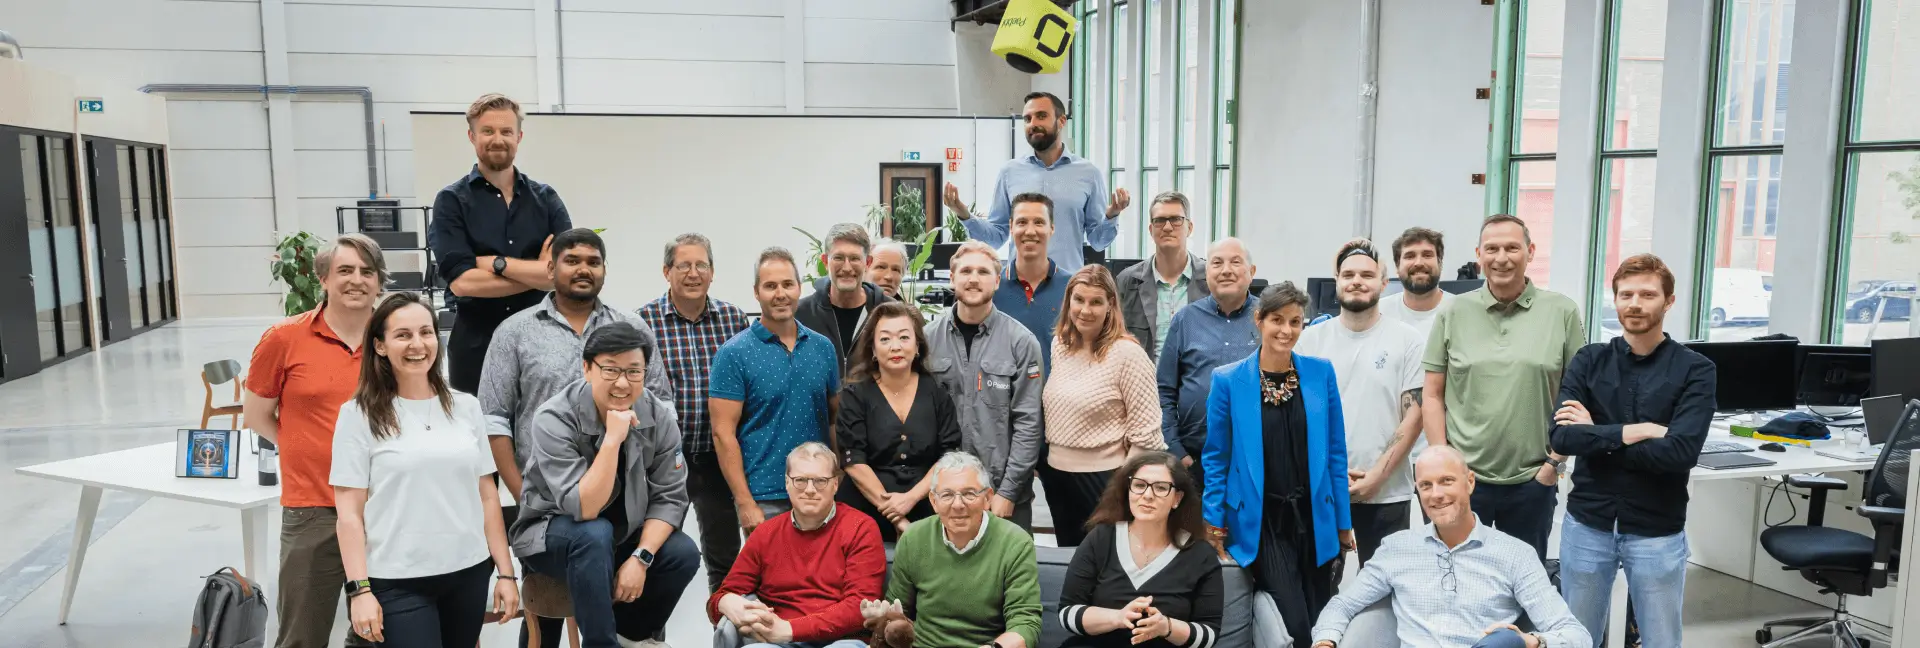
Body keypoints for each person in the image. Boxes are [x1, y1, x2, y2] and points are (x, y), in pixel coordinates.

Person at [477, 228, 671, 646]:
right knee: (546, 615)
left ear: (604, 269)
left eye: (593, 261)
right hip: (548, 504)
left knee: (639, 589)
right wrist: (523, 492)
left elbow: (659, 405)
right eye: (572, 260)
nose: (584, 269)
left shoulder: (631, 327)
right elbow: (494, 420)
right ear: (550, 268)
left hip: (620, 502)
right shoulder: (515, 331)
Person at [332, 292, 520, 647]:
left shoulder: (466, 407)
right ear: (380, 346)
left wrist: (506, 573)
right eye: (402, 335)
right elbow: (349, 515)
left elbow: (487, 497)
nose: (417, 344)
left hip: (468, 572)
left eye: (426, 332)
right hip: (396, 579)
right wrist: (359, 591)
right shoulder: (357, 415)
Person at [1550, 254, 1715, 648]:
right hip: (1588, 524)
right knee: (1576, 639)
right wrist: (1638, 432)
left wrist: (1597, 435)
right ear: (1615, 300)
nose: (1635, 304)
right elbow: (1562, 439)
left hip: (1656, 529)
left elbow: (1679, 453)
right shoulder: (1589, 360)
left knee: (1661, 640)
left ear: (1669, 301)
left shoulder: (1696, 369)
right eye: (1626, 295)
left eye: (1647, 294)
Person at [512, 322, 701, 648]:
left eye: (634, 371)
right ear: (587, 369)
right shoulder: (554, 417)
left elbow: (670, 497)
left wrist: (641, 557)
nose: (623, 383)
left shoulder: (657, 415)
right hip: (549, 535)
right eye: (611, 370)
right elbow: (585, 508)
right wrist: (613, 440)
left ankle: (630, 637)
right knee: (593, 533)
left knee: (682, 553)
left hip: (618, 537)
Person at [243, 233, 385, 648]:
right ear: (323, 279)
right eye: (345, 270)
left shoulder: (394, 339)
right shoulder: (284, 338)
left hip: (383, 507)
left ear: (379, 281)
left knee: (381, 632)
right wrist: (302, 448)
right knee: (302, 635)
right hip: (312, 509)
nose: (356, 280)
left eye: (367, 271)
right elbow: (256, 414)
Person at [1307, 447, 1593, 648]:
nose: (1437, 495)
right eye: (1426, 485)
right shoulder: (1396, 549)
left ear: (1469, 482)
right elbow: (1342, 605)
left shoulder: (1515, 555)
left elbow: (1577, 636)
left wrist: (1529, 641)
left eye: (1446, 481)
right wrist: (1324, 641)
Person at [1421, 214, 1586, 561]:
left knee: (1522, 581)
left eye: (1512, 248)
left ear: (1530, 252)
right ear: (1479, 254)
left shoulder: (1562, 312)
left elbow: (1577, 396)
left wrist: (1554, 465)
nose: (1501, 258)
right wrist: (1444, 464)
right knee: (1455, 577)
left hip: (1533, 481)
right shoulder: (1453, 312)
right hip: (1463, 481)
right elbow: (1432, 394)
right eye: (1492, 249)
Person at [1201, 281, 1354, 644]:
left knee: (1321, 619)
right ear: (1259, 320)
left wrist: (1343, 523)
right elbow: (1216, 458)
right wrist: (1214, 523)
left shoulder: (1320, 373)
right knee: (1294, 624)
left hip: (1315, 516)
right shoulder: (1228, 381)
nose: (1286, 330)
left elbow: (1336, 453)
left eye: (1295, 322)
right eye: (1277, 320)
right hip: (1262, 521)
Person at [1292, 240, 1426, 569]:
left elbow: (1414, 416)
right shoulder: (1309, 341)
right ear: (1336, 281)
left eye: (1367, 275)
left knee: (1384, 589)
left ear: (1384, 282)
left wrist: (1376, 477)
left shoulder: (1408, 339)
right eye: (1348, 274)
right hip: (1321, 488)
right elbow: (1298, 416)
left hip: (1387, 492)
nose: (1356, 281)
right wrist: (1333, 473)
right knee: (1318, 585)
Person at [428, 93, 574, 394]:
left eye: (506, 131)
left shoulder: (546, 199)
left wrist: (497, 264)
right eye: (488, 131)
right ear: (472, 136)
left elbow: (563, 274)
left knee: (545, 422)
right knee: (480, 425)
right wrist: (537, 275)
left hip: (542, 345)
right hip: (476, 351)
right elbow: (463, 283)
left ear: (519, 136)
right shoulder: (451, 201)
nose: (498, 139)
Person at [636, 233, 754, 594]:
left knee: (725, 555)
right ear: (666, 271)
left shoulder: (733, 319)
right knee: (655, 550)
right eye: (683, 265)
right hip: (663, 460)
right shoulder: (643, 322)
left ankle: (725, 618)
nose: (693, 273)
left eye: (701, 265)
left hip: (719, 457)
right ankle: (648, 623)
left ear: (712, 272)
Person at [713, 247, 843, 536]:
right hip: (764, 498)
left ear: (799, 288)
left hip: (819, 490)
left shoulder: (823, 348)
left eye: (787, 284)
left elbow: (835, 420)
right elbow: (723, 434)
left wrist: (839, 476)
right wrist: (745, 502)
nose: (780, 294)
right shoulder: (733, 354)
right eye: (770, 286)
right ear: (756, 292)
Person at [709, 442, 886, 648]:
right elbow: (719, 598)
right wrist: (725, 602)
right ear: (787, 483)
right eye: (800, 480)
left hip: (842, 640)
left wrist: (789, 629)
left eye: (820, 481)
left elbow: (860, 606)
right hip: (778, 642)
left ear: (835, 484)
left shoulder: (860, 528)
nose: (810, 490)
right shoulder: (766, 533)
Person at [925, 240, 1046, 530]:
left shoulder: (1021, 342)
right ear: (952, 278)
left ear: (997, 280)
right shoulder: (927, 339)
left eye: (983, 272)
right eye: (966, 271)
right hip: (943, 494)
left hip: (1002, 494)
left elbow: (1029, 423)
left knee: (1010, 560)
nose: (974, 278)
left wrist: (1008, 491)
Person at [1044, 265, 1168, 547]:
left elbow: (1147, 436)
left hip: (1105, 482)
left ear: (1110, 305)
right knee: (1070, 560)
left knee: (1108, 560)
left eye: (1096, 302)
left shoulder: (1128, 354)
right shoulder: (1060, 346)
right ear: (1068, 301)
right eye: (1079, 299)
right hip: (1058, 477)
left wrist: (1122, 489)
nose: (1085, 310)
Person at [942, 91, 1130, 271]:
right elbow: (996, 238)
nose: (1033, 123)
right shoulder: (1009, 172)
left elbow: (1098, 242)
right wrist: (963, 214)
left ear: (1061, 121)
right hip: (1019, 285)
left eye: (1041, 116)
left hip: (1067, 285)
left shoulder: (1089, 174)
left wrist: (1112, 215)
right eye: (1027, 119)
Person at [878, 452, 1043, 648]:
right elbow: (897, 612)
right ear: (933, 501)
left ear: (987, 498)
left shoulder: (1015, 543)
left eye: (969, 494)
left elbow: (1025, 623)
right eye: (947, 495)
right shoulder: (914, 537)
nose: (958, 505)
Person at [1057, 452, 1222, 648]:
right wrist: (1117, 618)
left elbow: (1209, 634)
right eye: (1139, 485)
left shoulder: (1200, 554)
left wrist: (1167, 627)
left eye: (1161, 488)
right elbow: (1067, 613)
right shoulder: (1101, 538)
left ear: (1177, 499)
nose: (1148, 495)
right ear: (1128, 490)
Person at [837, 302, 964, 540]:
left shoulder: (937, 393)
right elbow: (853, 460)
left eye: (904, 337)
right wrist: (897, 516)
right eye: (885, 339)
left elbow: (949, 456)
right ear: (873, 349)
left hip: (927, 509)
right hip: (864, 511)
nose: (895, 346)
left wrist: (910, 499)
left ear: (917, 346)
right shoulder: (855, 396)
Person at [1156, 238, 1261, 490]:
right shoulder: (1185, 319)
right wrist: (1175, 449)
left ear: (1252, 271)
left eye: (1235, 262)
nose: (1226, 270)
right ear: (1206, 272)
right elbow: (1163, 390)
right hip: (1194, 458)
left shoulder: (1268, 318)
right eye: (1217, 263)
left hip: (1256, 457)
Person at [1117, 191, 1208, 362]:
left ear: (1189, 228)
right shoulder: (1127, 281)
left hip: (1196, 376)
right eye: (1159, 220)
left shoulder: (1211, 278)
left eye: (1176, 219)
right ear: (1151, 230)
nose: (1167, 227)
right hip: (1143, 375)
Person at [994, 192, 1075, 375]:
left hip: (1057, 391)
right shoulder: (993, 288)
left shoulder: (1073, 288)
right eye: (1022, 222)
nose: (1030, 231)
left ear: (1051, 228)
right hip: (1003, 391)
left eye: (1039, 222)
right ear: (1011, 227)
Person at [796, 223, 894, 371]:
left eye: (855, 258)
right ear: (825, 261)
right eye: (838, 258)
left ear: (867, 263)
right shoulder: (801, 315)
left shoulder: (890, 312)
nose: (847, 268)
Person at [1379, 227, 1454, 336]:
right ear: (1397, 266)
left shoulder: (1462, 311)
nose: (1419, 263)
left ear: (1440, 263)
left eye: (1427, 255)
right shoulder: (1378, 313)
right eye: (1410, 256)